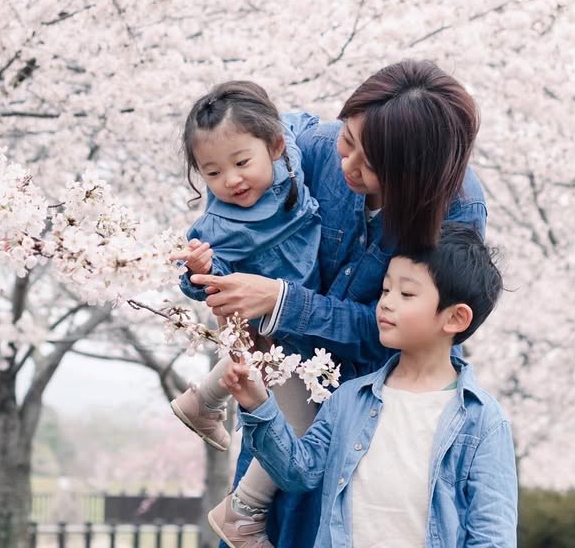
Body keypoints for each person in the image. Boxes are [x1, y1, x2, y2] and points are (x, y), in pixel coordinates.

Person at [189, 60, 489, 547]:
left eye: (371, 166)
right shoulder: (312, 146)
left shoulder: (455, 212)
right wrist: (226, 268)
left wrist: (285, 301)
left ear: (418, 175)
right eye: (348, 142)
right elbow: (236, 158)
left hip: (373, 412)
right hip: (284, 392)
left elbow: (417, 331)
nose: (347, 165)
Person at [221, 222, 518, 548]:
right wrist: (258, 405)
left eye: (406, 293)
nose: (387, 303)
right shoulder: (349, 399)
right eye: (385, 290)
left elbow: (493, 537)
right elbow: (297, 472)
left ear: (454, 318)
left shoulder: (483, 422)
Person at [169, 80, 323, 548]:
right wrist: (199, 268)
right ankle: (244, 510)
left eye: (241, 163)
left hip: (291, 313)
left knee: (277, 388)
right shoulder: (220, 224)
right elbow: (197, 277)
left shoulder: (291, 150)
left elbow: (298, 123)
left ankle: (201, 402)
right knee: (299, 420)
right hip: (268, 322)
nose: (231, 180)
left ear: (274, 147)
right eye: (212, 172)